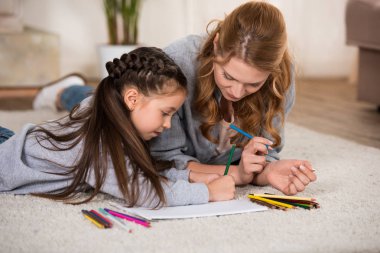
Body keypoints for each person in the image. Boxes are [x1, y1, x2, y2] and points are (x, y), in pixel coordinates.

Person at [32, 1, 316, 195]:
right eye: (228, 76)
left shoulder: (281, 78)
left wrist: (267, 171)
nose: (237, 92)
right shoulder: (179, 63)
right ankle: (66, 90)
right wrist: (235, 175)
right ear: (216, 45)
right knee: (105, 101)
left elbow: (265, 153)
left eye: (253, 84)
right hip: (124, 98)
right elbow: (163, 158)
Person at [0, 47, 236, 207]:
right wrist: (208, 193)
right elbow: (141, 191)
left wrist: (190, 177)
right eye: (165, 113)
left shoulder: (112, 109)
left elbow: (146, 169)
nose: (167, 125)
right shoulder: (101, 140)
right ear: (132, 99)